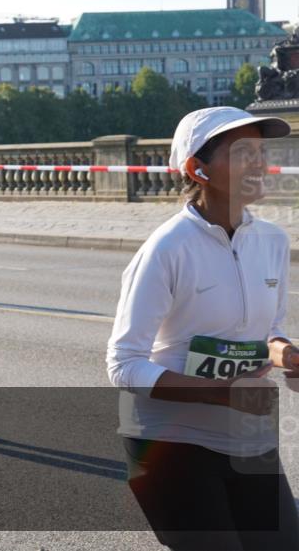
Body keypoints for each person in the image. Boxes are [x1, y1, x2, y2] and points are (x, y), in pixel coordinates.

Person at [107, 106, 299, 550]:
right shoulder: (167, 249)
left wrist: (285, 355)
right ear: (198, 168)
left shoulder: (272, 241)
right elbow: (123, 364)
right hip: (170, 441)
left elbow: (268, 334)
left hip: (247, 436)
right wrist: (219, 392)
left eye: (260, 151)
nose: (258, 163)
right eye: (242, 152)